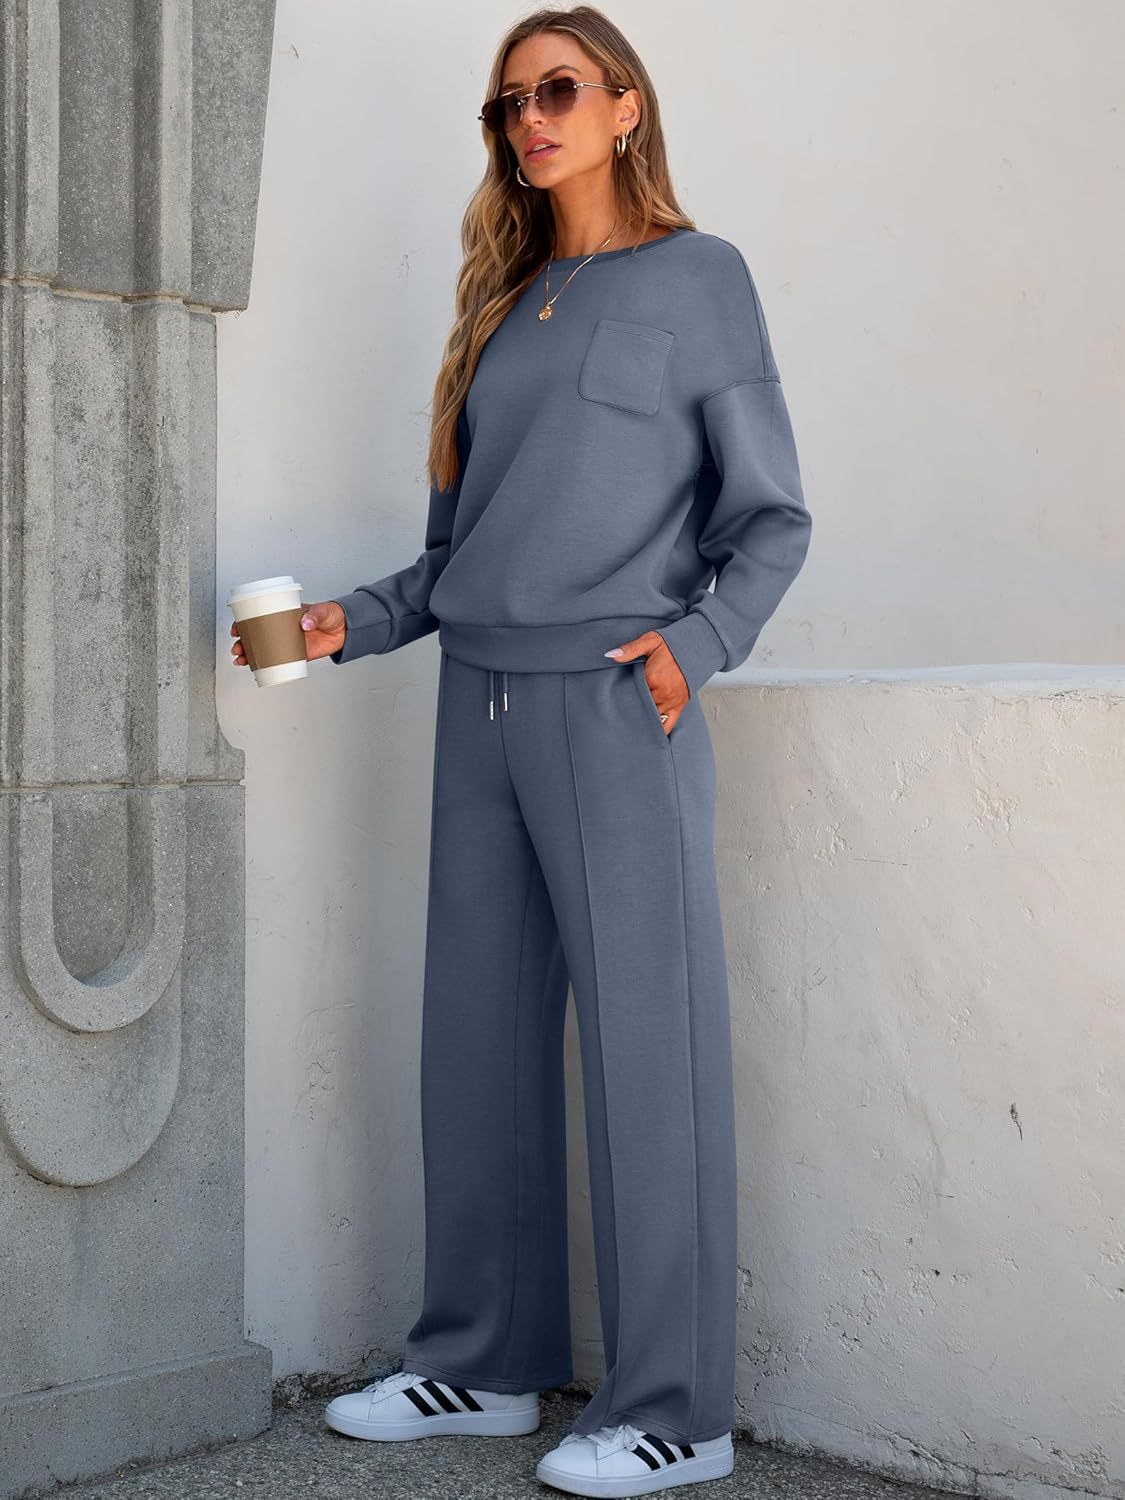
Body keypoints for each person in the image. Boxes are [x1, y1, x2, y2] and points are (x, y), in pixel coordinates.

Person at [232, 7, 811, 1495]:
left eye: (557, 90)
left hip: (616, 701)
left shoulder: (701, 278)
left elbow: (768, 517)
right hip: (478, 697)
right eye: (508, 104)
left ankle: (675, 1407)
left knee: (648, 1048)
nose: (531, 119)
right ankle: (482, 1363)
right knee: (475, 1040)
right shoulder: (503, 304)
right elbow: (456, 560)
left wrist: (695, 646)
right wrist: (345, 625)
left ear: (625, 105)